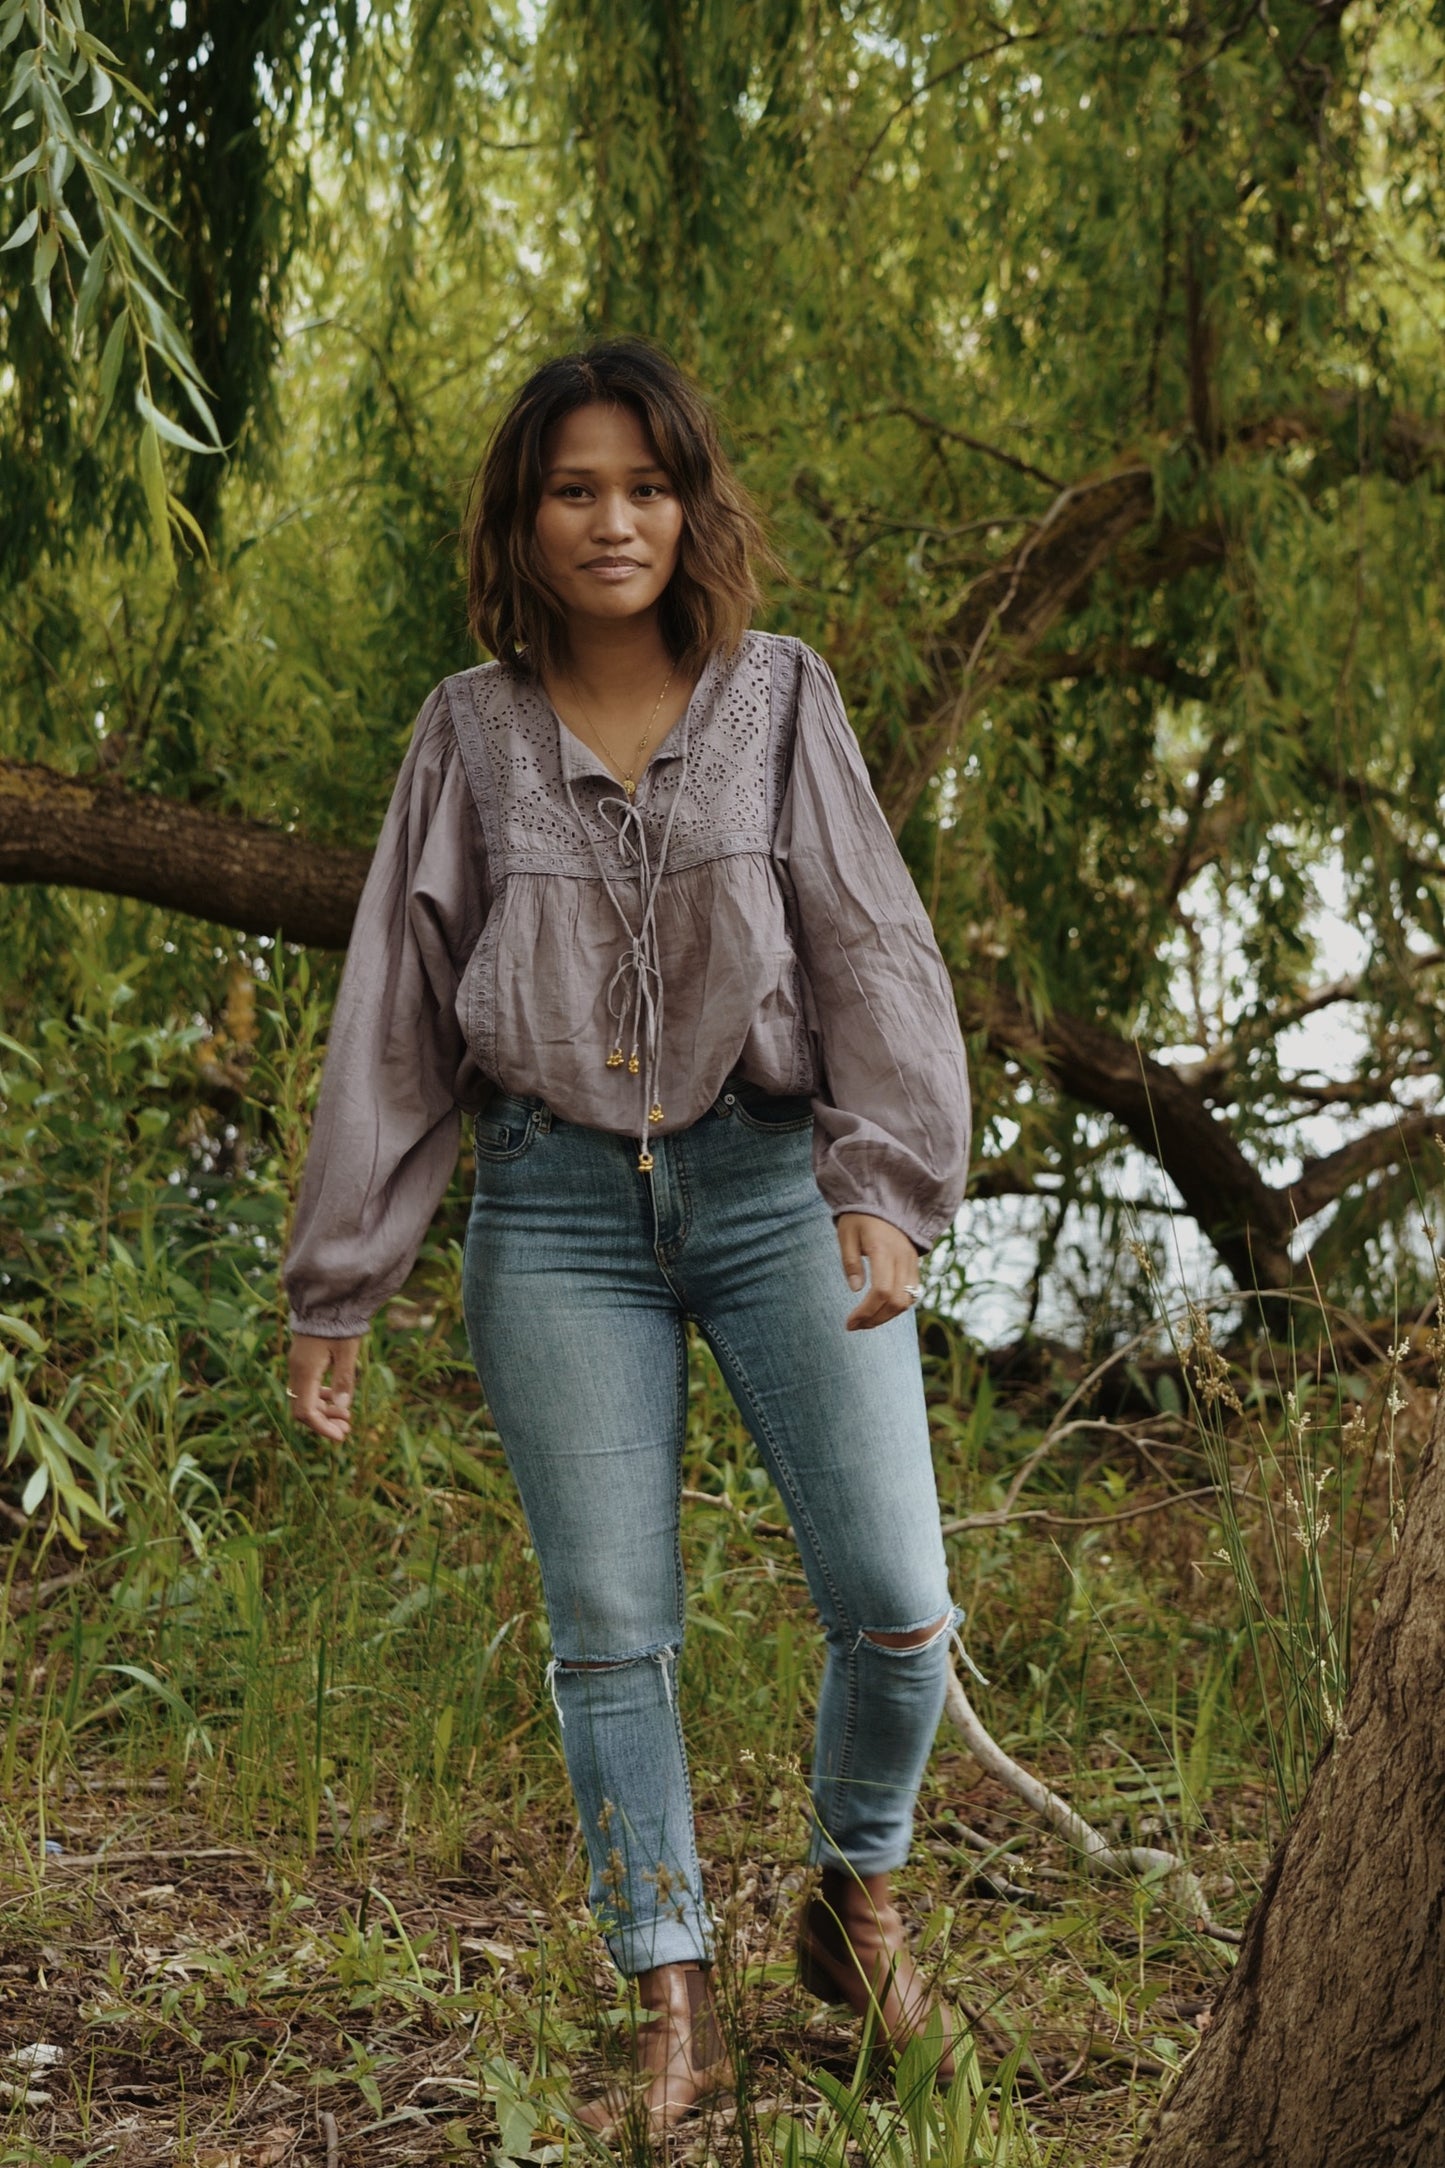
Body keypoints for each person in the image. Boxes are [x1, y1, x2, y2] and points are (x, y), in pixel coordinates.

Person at [283, 335, 972, 2137]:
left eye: (646, 487)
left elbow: (869, 947)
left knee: (898, 1604)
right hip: (556, 1214)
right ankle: (671, 1992)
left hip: (764, 1188)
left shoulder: (780, 699)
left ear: (692, 505)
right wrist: (340, 1279)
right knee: (608, 1626)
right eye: (574, 489)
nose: (613, 522)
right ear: (521, 520)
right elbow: (397, 1021)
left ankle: (851, 1897)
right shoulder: (467, 733)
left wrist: (884, 1188)